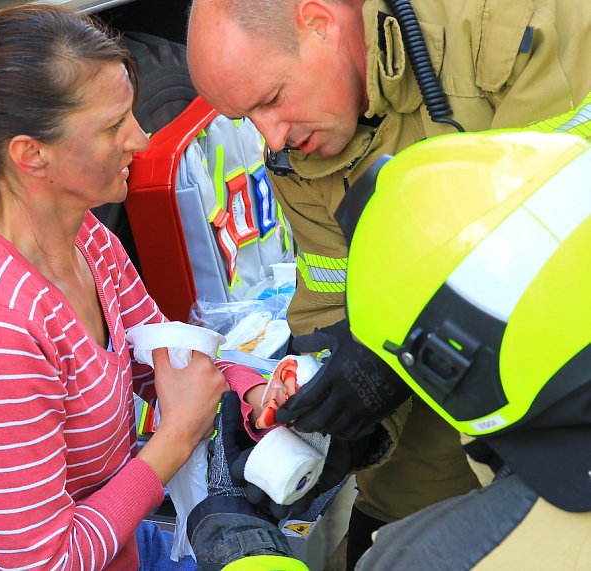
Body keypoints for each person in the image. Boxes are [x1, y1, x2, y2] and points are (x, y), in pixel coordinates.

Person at [186, 0, 591, 564]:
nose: (271, 139)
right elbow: (330, 293)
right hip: (447, 441)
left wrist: (390, 355)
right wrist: (329, 415)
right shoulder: (298, 148)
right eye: (247, 120)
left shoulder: (516, 23)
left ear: (320, 21)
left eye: (272, 100)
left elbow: (565, 227)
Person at [0, 5, 269, 570]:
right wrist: (174, 440)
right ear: (31, 154)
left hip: (116, 549)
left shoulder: (87, 238)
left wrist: (255, 391)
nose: (141, 137)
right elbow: (43, 562)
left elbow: (166, 357)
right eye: (113, 126)